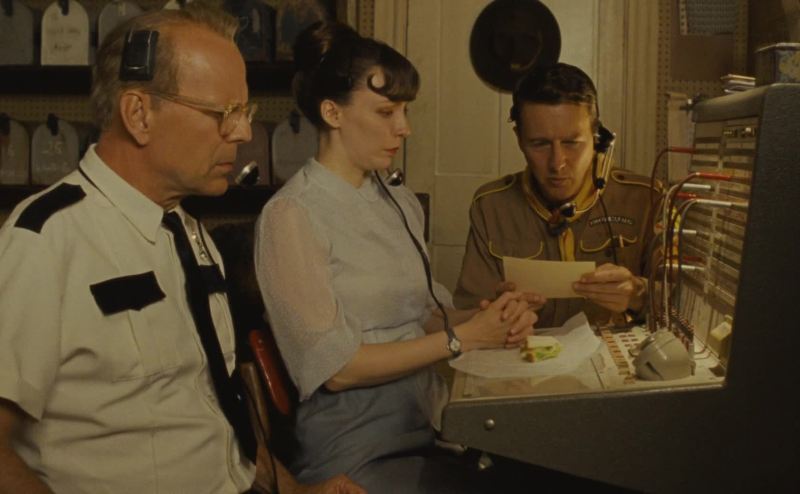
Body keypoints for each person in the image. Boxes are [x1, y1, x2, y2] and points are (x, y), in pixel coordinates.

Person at [0, 4, 362, 493]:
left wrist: (295, 491)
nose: (243, 132)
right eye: (224, 113)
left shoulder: (191, 235)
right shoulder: (45, 241)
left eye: (246, 113)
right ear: (139, 114)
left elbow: (212, 415)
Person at [254, 21, 536, 493]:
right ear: (332, 112)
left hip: (431, 430)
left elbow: (423, 315)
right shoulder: (291, 216)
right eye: (386, 111)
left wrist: (491, 319)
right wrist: (463, 339)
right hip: (355, 450)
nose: (404, 128)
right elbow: (337, 370)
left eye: (404, 110)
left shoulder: (397, 199)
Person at [453, 63, 656, 329]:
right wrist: (496, 312)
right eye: (540, 144)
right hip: (523, 351)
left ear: (597, 137)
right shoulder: (492, 207)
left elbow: (688, 308)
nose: (557, 163)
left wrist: (639, 294)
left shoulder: (644, 199)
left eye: (571, 143)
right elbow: (469, 316)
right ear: (519, 138)